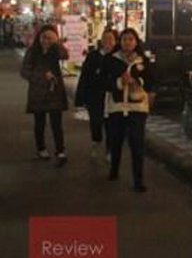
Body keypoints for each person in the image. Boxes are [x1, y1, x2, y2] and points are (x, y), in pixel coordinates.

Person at [104, 28, 154, 193]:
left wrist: (136, 81)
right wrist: (119, 82)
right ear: (120, 41)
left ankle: (138, 180)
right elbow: (105, 82)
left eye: (131, 39)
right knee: (116, 141)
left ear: (136, 42)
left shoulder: (143, 60)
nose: (127, 42)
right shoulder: (111, 60)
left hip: (137, 107)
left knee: (137, 143)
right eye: (124, 39)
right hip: (117, 107)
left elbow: (151, 80)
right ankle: (114, 170)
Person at [20, 24, 70, 164]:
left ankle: (60, 151)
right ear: (39, 37)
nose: (46, 40)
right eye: (44, 37)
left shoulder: (56, 50)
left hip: (55, 92)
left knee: (56, 123)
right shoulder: (33, 51)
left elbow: (65, 55)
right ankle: (41, 148)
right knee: (39, 122)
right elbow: (24, 71)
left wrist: (57, 43)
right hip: (38, 92)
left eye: (50, 38)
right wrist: (42, 75)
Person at [75, 29, 118, 159]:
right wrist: (80, 98)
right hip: (94, 96)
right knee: (95, 122)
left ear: (115, 41)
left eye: (111, 39)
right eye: (105, 39)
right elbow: (84, 77)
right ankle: (96, 141)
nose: (108, 42)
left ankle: (110, 150)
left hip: (112, 97)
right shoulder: (93, 56)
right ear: (101, 40)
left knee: (111, 124)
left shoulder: (118, 56)